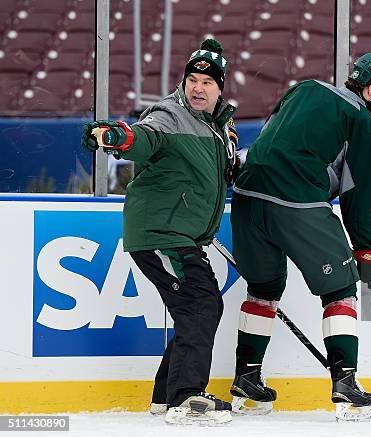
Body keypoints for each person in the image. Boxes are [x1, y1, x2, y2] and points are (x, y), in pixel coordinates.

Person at [229, 52, 371, 421]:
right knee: (340, 290)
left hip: (246, 197)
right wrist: (369, 249)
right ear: (370, 89)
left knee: (263, 289)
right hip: (296, 202)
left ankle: (247, 379)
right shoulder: (364, 125)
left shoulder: (303, 87)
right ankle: (345, 384)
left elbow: (268, 138)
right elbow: (359, 199)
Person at [81, 38, 238, 426]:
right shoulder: (168, 114)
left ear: (220, 88)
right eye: (192, 79)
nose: (198, 87)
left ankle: (165, 396)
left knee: (200, 308)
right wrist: (116, 137)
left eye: (207, 81)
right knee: (201, 306)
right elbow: (142, 136)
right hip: (161, 232)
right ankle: (185, 397)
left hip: (180, 234)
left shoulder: (217, 127)